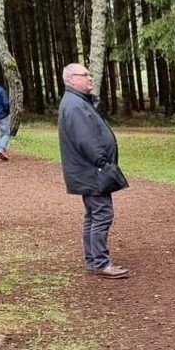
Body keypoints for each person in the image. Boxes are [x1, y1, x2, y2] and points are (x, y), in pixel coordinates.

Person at [57, 63, 130, 279]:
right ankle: (100, 262)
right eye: (84, 75)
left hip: (87, 171)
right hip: (92, 171)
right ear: (71, 80)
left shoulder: (77, 102)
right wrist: (104, 163)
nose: (90, 78)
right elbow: (87, 141)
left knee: (93, 214)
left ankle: (93, 260)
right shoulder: (75, 105)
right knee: (102, 214)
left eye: (89, 74)